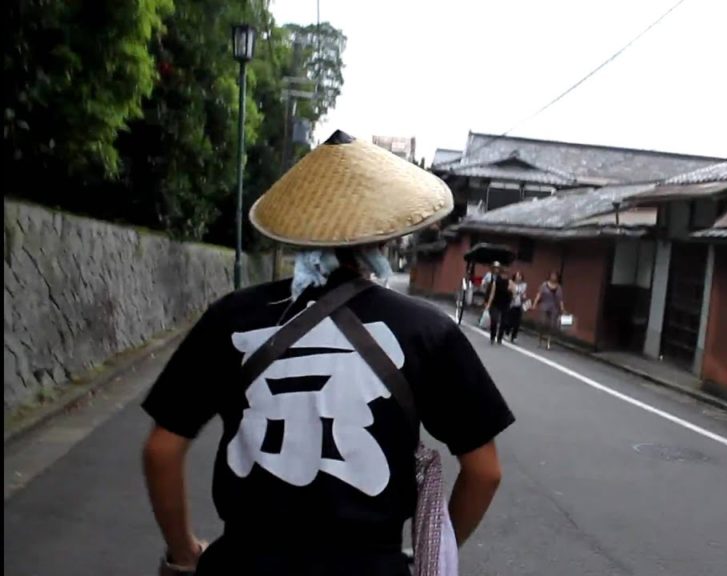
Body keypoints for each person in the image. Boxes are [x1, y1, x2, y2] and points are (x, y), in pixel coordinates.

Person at [141, 130, 515, 576]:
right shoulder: (428, 331)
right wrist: (430, 554)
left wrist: (183, 552)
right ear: (384, 238)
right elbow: (485, 470)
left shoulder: (232, 317)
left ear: (299, 235)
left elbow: (162, 450)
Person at [532, 271, 565, 350]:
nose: (553, 277)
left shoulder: (559, 287)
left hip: (554, 308)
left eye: (555, 276)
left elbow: (560, 299)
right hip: (544, 306)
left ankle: (548, 342)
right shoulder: (544, 285)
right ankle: (540, 338)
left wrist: (562, 309)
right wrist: (535, 304)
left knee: (552, 325)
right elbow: (539, 294)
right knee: (543, 323)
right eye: (552, 275)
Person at [484, 264, 512, 345]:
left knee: (503, 321)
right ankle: (493, 336)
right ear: (501, 273)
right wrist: (489, 304)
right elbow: (492, 293)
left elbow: (514, 292)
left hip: (505, 303)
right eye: (504, 273)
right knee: (494, 320)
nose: (505, 275)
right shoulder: (496, 282)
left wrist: (512, 291)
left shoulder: (509, 282)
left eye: (506, 274)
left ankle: (499, 337)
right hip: (495, 302)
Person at [504, 271, 528, 344]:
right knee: (510, 320)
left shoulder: (524, 285)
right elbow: (509, 289)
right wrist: (514, 291)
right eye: (517, 275)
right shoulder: (511, 282)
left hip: (519, 304)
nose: (518, 277)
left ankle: (514, 336)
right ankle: (507, 333)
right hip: (511, 304)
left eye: (520, 276)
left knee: (517, 322)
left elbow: (523, 294)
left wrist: (523, 296)